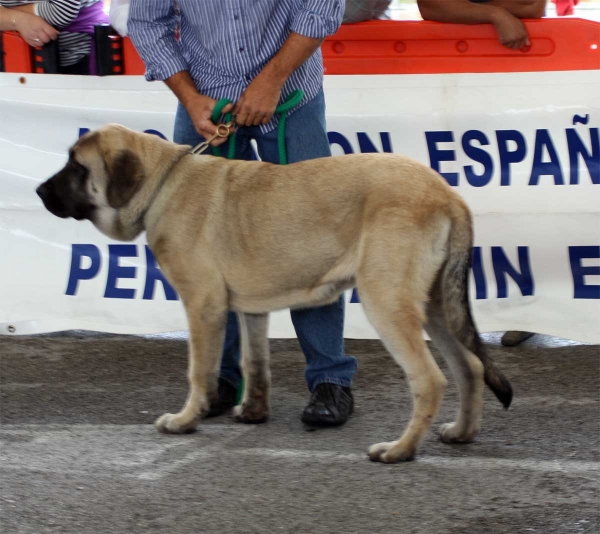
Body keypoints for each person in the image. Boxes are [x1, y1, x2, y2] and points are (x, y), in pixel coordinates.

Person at [128, 0, 357, 426]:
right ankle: (221, 382)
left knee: (313, 237)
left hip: (291, 94)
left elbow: (320, 9)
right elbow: (146, 21)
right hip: (206, 98)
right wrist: (189, 97)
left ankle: (330, 378)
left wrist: (271, 81)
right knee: (202, 247)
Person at [0, 0, 109, 74]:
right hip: (9, 57)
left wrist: (7, 15)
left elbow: (62, 11)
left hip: (74, 60)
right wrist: (16, 19)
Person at [417, 0, 547, 50]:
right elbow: (430, 6)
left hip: (513, 62)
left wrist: (456, 8)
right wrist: (496, 14)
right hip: (445, 61)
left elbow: (532, 5)